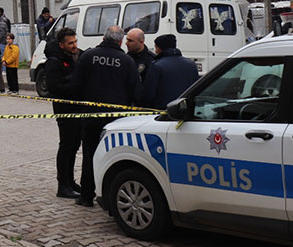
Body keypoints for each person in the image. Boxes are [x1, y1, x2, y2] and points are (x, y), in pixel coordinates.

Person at [71, 25, 140, 207]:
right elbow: (136, 91)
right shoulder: (127, 61)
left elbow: (76, 85)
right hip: (117, 120)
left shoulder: (88, 56)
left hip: (91, 116)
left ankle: (86, 196)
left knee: (89, 155)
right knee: (115, 157)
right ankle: (111, 198)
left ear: (103, 38)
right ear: (120, 41)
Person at [42, 27, 82, 199]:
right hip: (65, 110)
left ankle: (70, 181)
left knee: (74, 145)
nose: (74, 45)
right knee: (66, 145)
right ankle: (62, 185)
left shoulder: (75, 56)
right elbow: (54, 87)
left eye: (75, 42)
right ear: (61, 45)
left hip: (78, 109)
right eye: (70, 43)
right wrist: (74, 81)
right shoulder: (54, 62)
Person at [140, 34, 199, 109]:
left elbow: (149, 94)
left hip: (164, 110)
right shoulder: (191, 64)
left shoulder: (157, 66)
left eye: (156, 47)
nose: (155, 51)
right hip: (187, 109)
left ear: (160, 48)